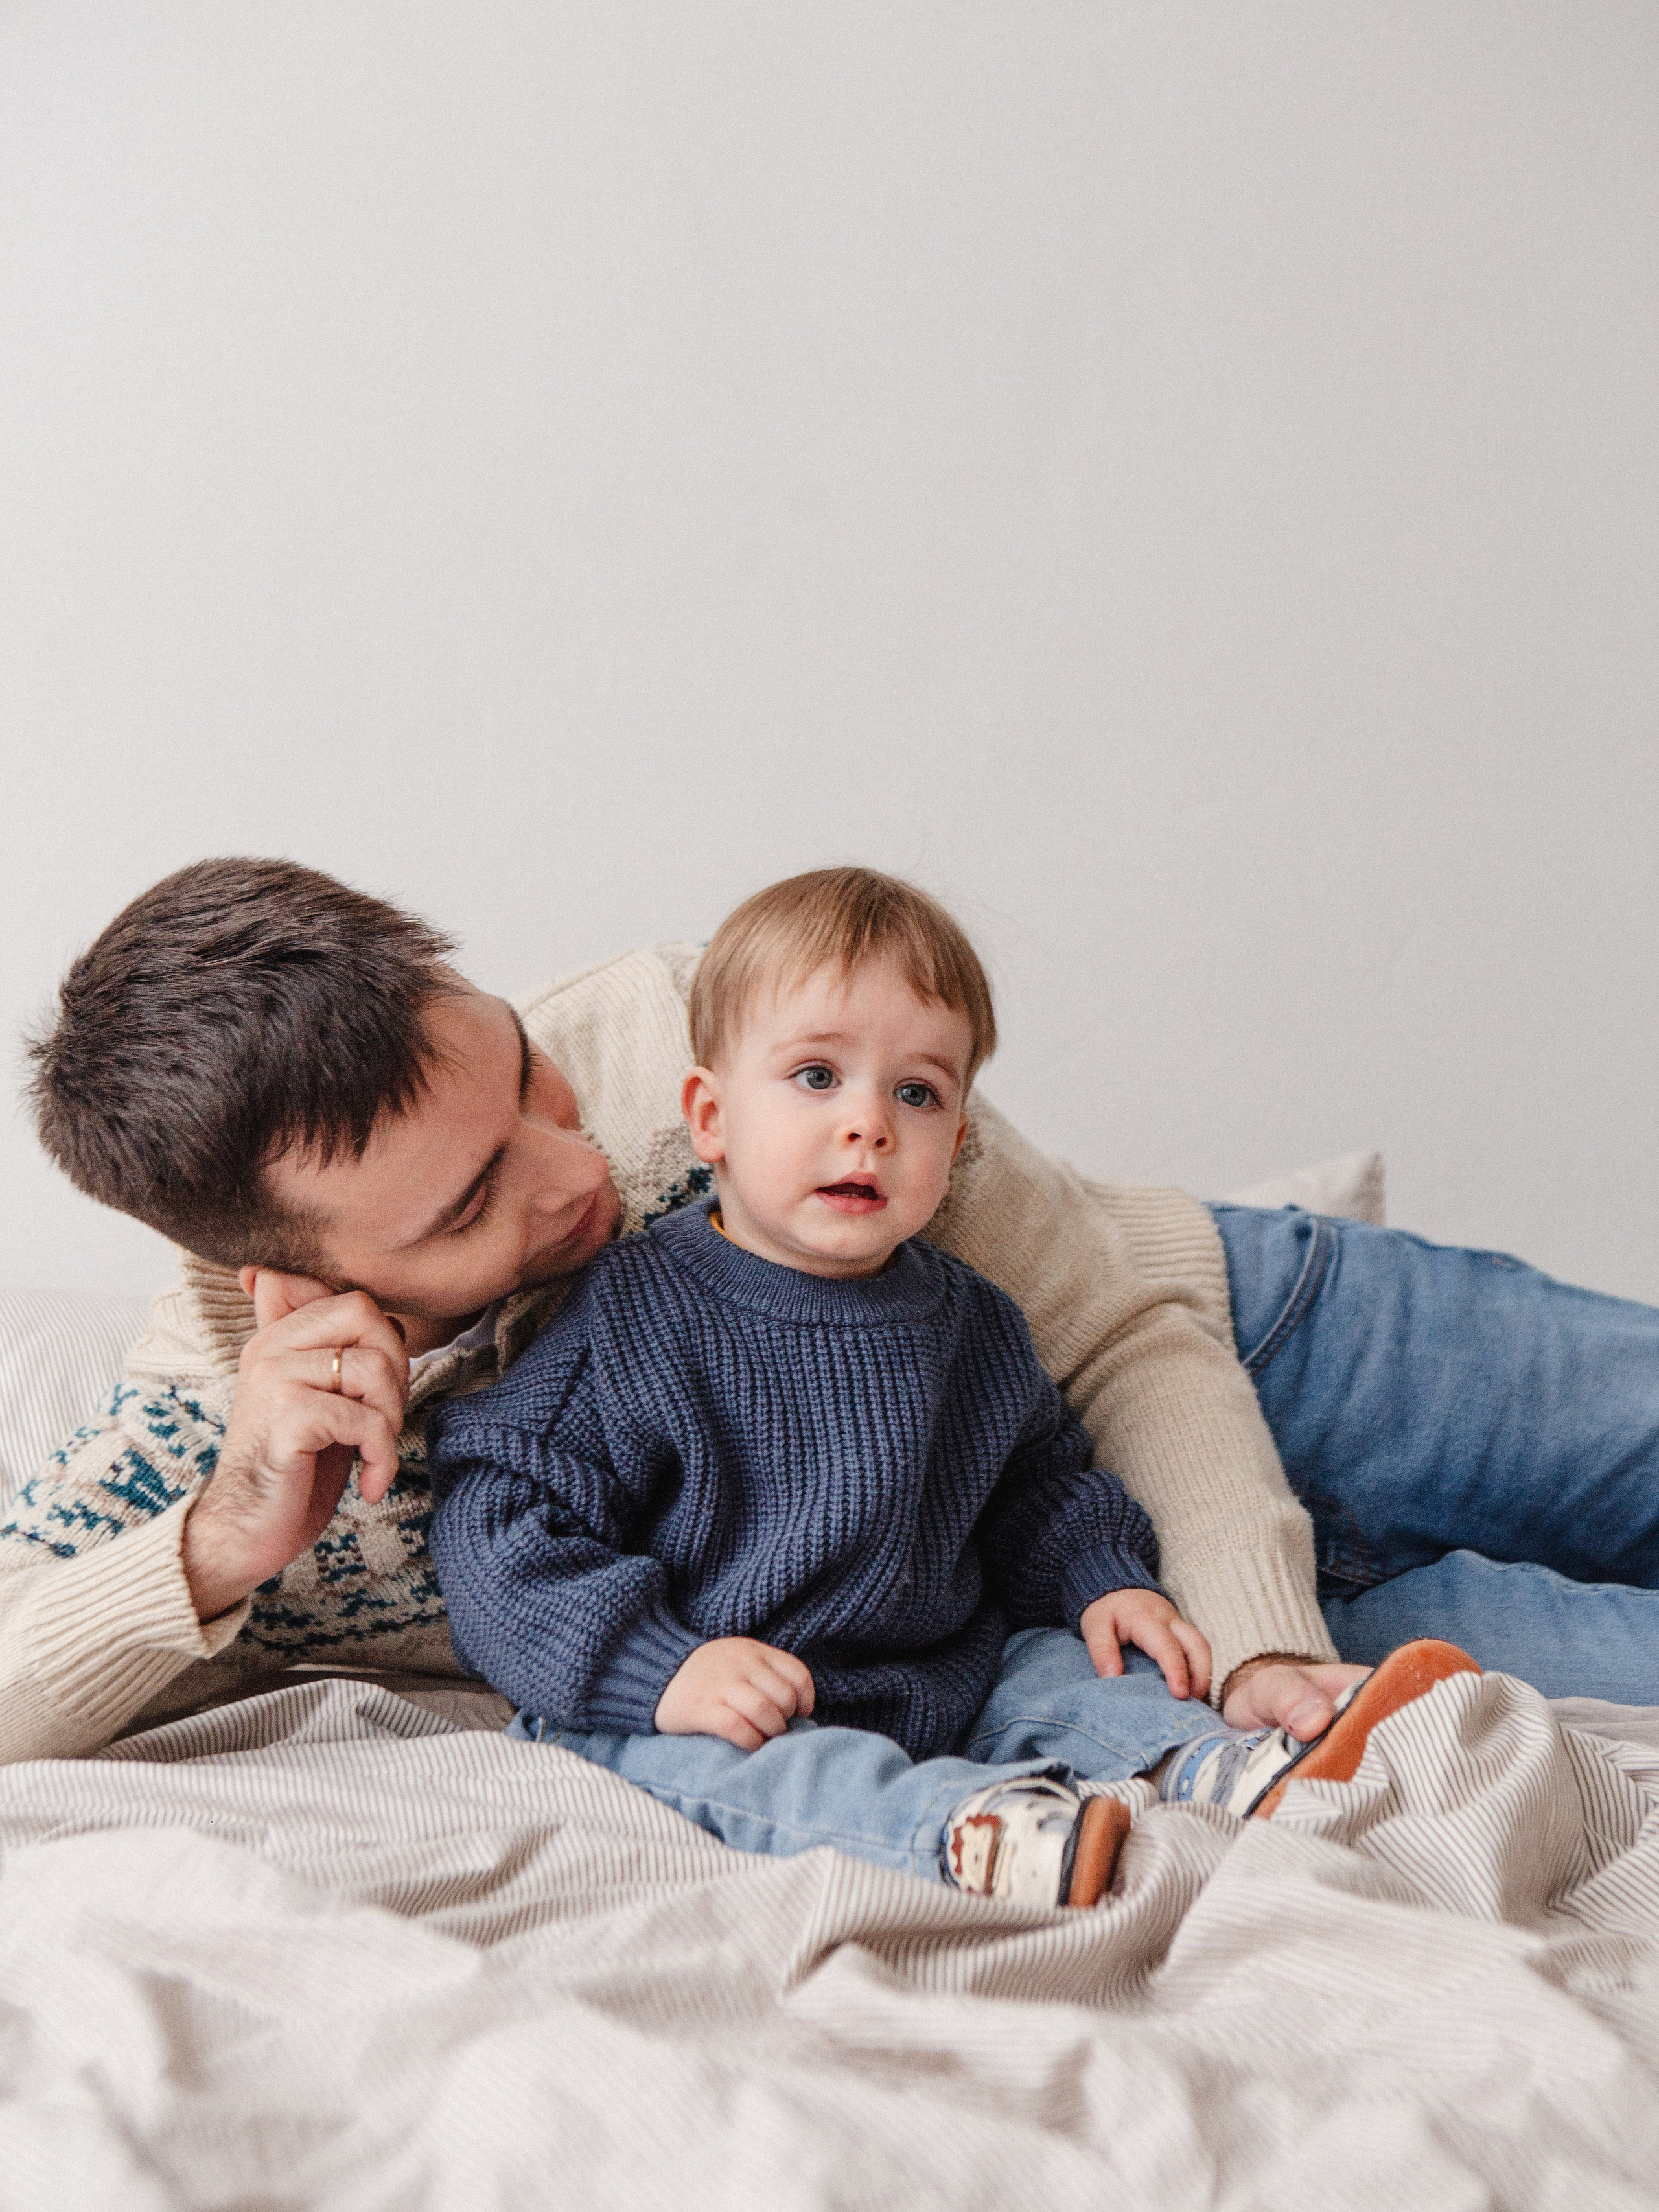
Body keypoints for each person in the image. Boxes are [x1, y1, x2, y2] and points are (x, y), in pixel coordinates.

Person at [6, 855, 1658, 1771]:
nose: (572, 1169)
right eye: (467, 1205)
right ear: (290, 1284)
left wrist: (1253, 1628)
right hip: (1071, 1610)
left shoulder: (691, 1024)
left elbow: (1121, 1337)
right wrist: (220, 1549)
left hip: (1263, 1348)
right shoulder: (217, 1437)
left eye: (523, 1073)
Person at [424, 871, 1476, 1903]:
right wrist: (657, 1669)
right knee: (713, 1764)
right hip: (705, 1695)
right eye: (816, 1077)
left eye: (916, 1093)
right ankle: (961, 1831)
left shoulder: (968, 1319)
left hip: (937, 1669)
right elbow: (500, 1531)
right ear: (711, 1116)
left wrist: (1102, 1575)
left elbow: (1036, 1483)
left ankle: (1206, 1768)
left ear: (957, 1142)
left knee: (1065, 1673)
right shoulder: (625, 1317)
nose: (869, 1123)